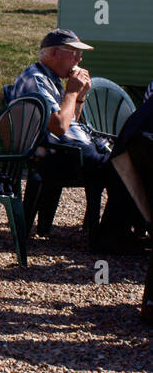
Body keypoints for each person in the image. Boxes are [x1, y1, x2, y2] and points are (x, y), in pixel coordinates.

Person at [11, 28, 140, 249]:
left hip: (71, 150)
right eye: (73, 53)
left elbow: (70, 120)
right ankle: (110, 236)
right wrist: (71, 92)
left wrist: (78, 98)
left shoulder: (49, 78)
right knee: (122, 170)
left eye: (80, 54)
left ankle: (120, 230)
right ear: (52, 54)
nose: (79, 59)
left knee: (131, 161)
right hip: (55, 156)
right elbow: (60, 126)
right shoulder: (35, 79)